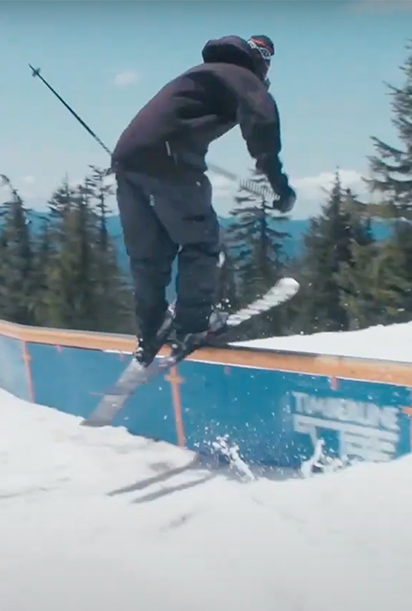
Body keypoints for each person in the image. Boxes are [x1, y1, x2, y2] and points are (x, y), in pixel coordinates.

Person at [111, 34, 296, 366]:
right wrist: (280, 186)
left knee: (149, 253)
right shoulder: (240, 76)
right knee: (201, 241)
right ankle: (193, 325)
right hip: (171, 158)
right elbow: (263, 122)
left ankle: (151, 328)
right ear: (255, 58)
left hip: (128, 158)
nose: (265, 63)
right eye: (264, 55)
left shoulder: (200, 75)